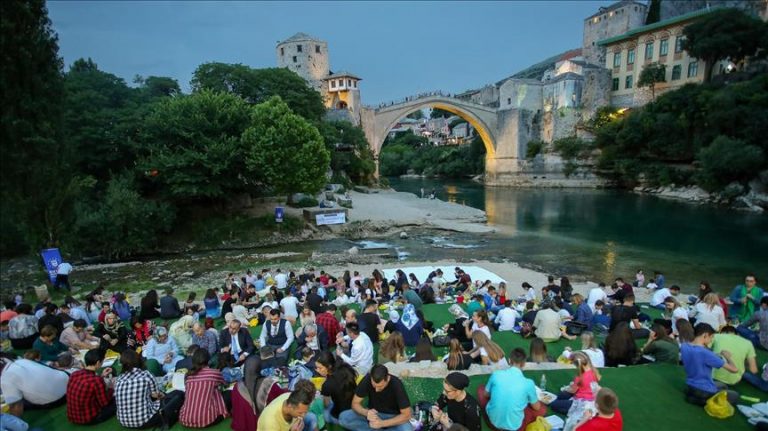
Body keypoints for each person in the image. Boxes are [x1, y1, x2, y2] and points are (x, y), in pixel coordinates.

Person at [477, 348, 546, 431]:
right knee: (541, 409)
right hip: (514, 427)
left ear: (509, 360)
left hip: (493, 421)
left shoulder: (496, 374)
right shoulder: (529, 383)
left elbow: (486, 394)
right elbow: (536, 407)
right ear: (524, 364)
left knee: (481, 389)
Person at [114, 349, 185, 428]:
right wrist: (166, 395)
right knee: (178, 394)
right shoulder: (145, 375)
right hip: (145, 420)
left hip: (123, 422)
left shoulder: (119, 379)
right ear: (138, 360)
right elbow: (157, 395)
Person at [339, 364, 413, 431]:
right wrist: (366, 413)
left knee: (407, 429)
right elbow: (355, 404)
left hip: (393, 417)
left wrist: (382, 423)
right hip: (374, 415)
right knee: (344, 418)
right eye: (374, 385)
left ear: (387, 379)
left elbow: (407, 415)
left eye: (380, 386)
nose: (376, 390)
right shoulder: (367, 379)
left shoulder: (396, 384)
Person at [681, 323, 739, 406]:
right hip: (704, 390)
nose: (711, 340)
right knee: (735, 395)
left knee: (722, 385)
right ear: (705, 335)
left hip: (690, 384)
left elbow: (699, 355)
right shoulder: (706, 353)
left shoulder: (684, 346)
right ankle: (705, 400)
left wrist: (716, 356)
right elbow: (734, 370)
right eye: (711, 337)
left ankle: (694, 396)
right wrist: (728, 357)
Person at [549, 352, 601, 431]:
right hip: (591, 401)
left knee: (554, 404)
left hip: (581, 403)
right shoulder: (594, 371)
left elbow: (573, 391)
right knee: (562, 396)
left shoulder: (580, 377)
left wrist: (566, 388)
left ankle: (574, 412)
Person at [179, 349, 230, 428]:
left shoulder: (188, 375)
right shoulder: (214, 373)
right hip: (206, 420)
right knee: (228, 394)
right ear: (208, 360)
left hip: (185, 419)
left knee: (211, 391)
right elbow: (225, 384)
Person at [0, 353, 69, 410]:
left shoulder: (5, 378)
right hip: (68, 384)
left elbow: (16, 406)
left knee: (17, 402)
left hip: (55, 400)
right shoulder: (22, 361)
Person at [66, 349, 116, 425]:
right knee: (118, 400)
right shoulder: (96, 380)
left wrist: (101, 376)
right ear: (98, 362)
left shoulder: (74, 374)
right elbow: (105, 403)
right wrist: (112, 389)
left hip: (73, 416)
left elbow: (89, 384)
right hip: (90, 418)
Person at [316, 351, 358, 426]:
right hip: (355, 407)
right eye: (317, 368)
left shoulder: (327, 385)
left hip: (342, 416)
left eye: (320, 368)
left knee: (322, 409)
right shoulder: (345, 368)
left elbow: (326, 404)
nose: (317, 370)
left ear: (329, 366)